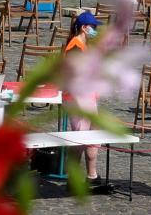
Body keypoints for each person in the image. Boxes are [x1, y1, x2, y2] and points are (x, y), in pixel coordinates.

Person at [64, 11, 102, 184]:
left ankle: (91, 176)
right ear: (84, 28)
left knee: (93, 137)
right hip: (78, 100)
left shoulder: (84, 46)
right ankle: (73, 178)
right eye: (93, 27)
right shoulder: (75, 46)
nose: (95, 30)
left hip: (89, 98)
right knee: (79, 140)